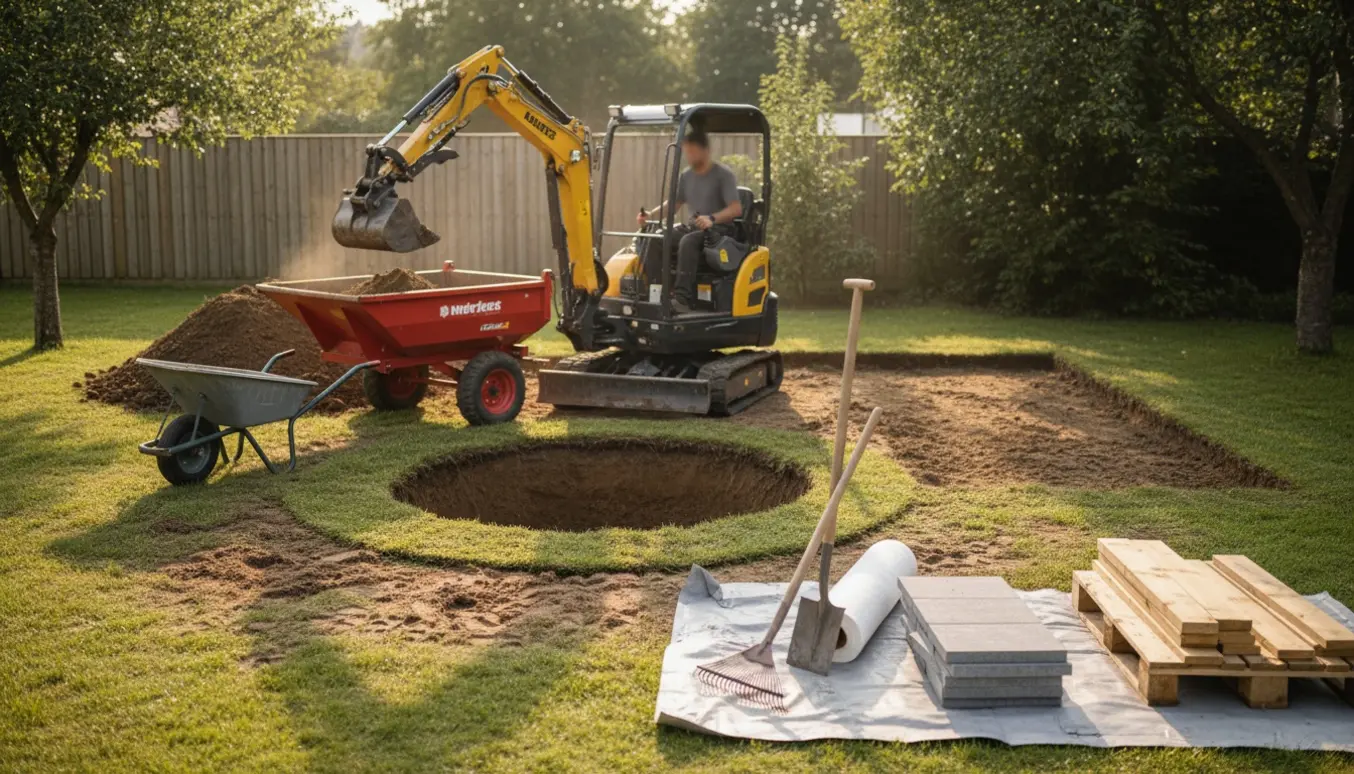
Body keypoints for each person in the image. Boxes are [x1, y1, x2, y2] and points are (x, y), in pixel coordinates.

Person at [638, 128, 742, 314]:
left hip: (719, 232)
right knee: (654, 239)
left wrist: (712, 218)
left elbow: (736, 209)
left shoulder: (723, 175)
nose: (689, 156)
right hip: (694, 229)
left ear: (705, 150)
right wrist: (650, 216)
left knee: (688, 241)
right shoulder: (686, 176)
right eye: (687, 152)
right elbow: (673, 204)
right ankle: (657, 293)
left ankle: (681, 299)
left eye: (692, 151)